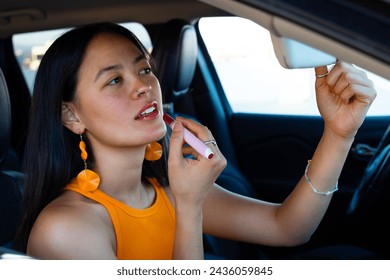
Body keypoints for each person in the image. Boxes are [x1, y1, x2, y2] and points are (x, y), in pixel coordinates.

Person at [14, 22, 376, 260]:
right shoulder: (65, 229)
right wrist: (190, 209)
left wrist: (339, 132)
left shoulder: (166, 191)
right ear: (71, 116)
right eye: (114, 80)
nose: (144, 85)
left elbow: (288, 228)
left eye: (144, 69)